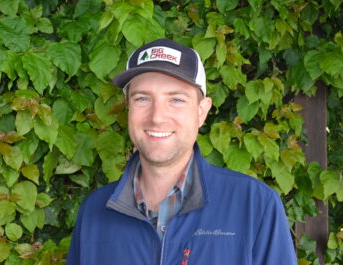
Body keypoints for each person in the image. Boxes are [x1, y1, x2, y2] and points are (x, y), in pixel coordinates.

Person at [66, 38, 297, 265]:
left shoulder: (254, 206)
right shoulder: (94, 213)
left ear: (201, 111)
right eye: (143, 98)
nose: (157, 117)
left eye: (176, 99)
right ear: (128, 108)